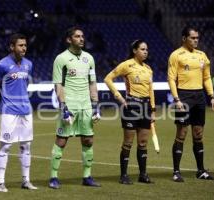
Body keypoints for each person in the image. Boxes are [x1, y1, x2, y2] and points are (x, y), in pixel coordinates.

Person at [49, 26, 101, 189]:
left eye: (82, 36)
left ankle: (87, 176)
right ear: (69, 40)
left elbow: (92, 83)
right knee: (61, 141)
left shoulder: (89, 58)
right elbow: (58, 84)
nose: (81, 39)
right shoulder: (61, 59)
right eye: (77, 36)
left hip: (85, 105)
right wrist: (63, 107)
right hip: (70, 104)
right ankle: (53, 177)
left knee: (88, 139)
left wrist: (95, 105)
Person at [168, 26, 214, 182]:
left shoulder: (202, 56)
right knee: (182, 133)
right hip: (184, 96)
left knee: (198, 134)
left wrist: (211, 96)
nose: (196, 40)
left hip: (199, 96)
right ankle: (176, 172)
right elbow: (171, 79)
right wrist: (176, 99)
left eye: (197, 38)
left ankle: (201, 170)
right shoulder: (176, 55)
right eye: (193, 38)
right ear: (184, 38)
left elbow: (206, 77)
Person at [104, 39, 155, 184]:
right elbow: (108, 79)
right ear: (135, 50)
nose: (145, 52)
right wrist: (120, 98)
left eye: (146, 50)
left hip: (145, 107)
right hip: (131, 107)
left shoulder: (148, 69)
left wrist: (152, 109)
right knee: (128, 142)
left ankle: (143, 175)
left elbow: (150, 90)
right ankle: (124, 175)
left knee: (143, 142)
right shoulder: (127, 65)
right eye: (142, 49)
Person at [0, 33, 37, 192]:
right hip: (9, 111)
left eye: (25, 45)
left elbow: (24, 85)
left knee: (26, 146)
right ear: (12, 47)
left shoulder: (28, 64)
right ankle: (1, 182)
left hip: (25, 110)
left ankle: (26, 181)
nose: (24, 48)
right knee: (5, 146)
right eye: (20, 45)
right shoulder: (2, 65)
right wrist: (1, 101)